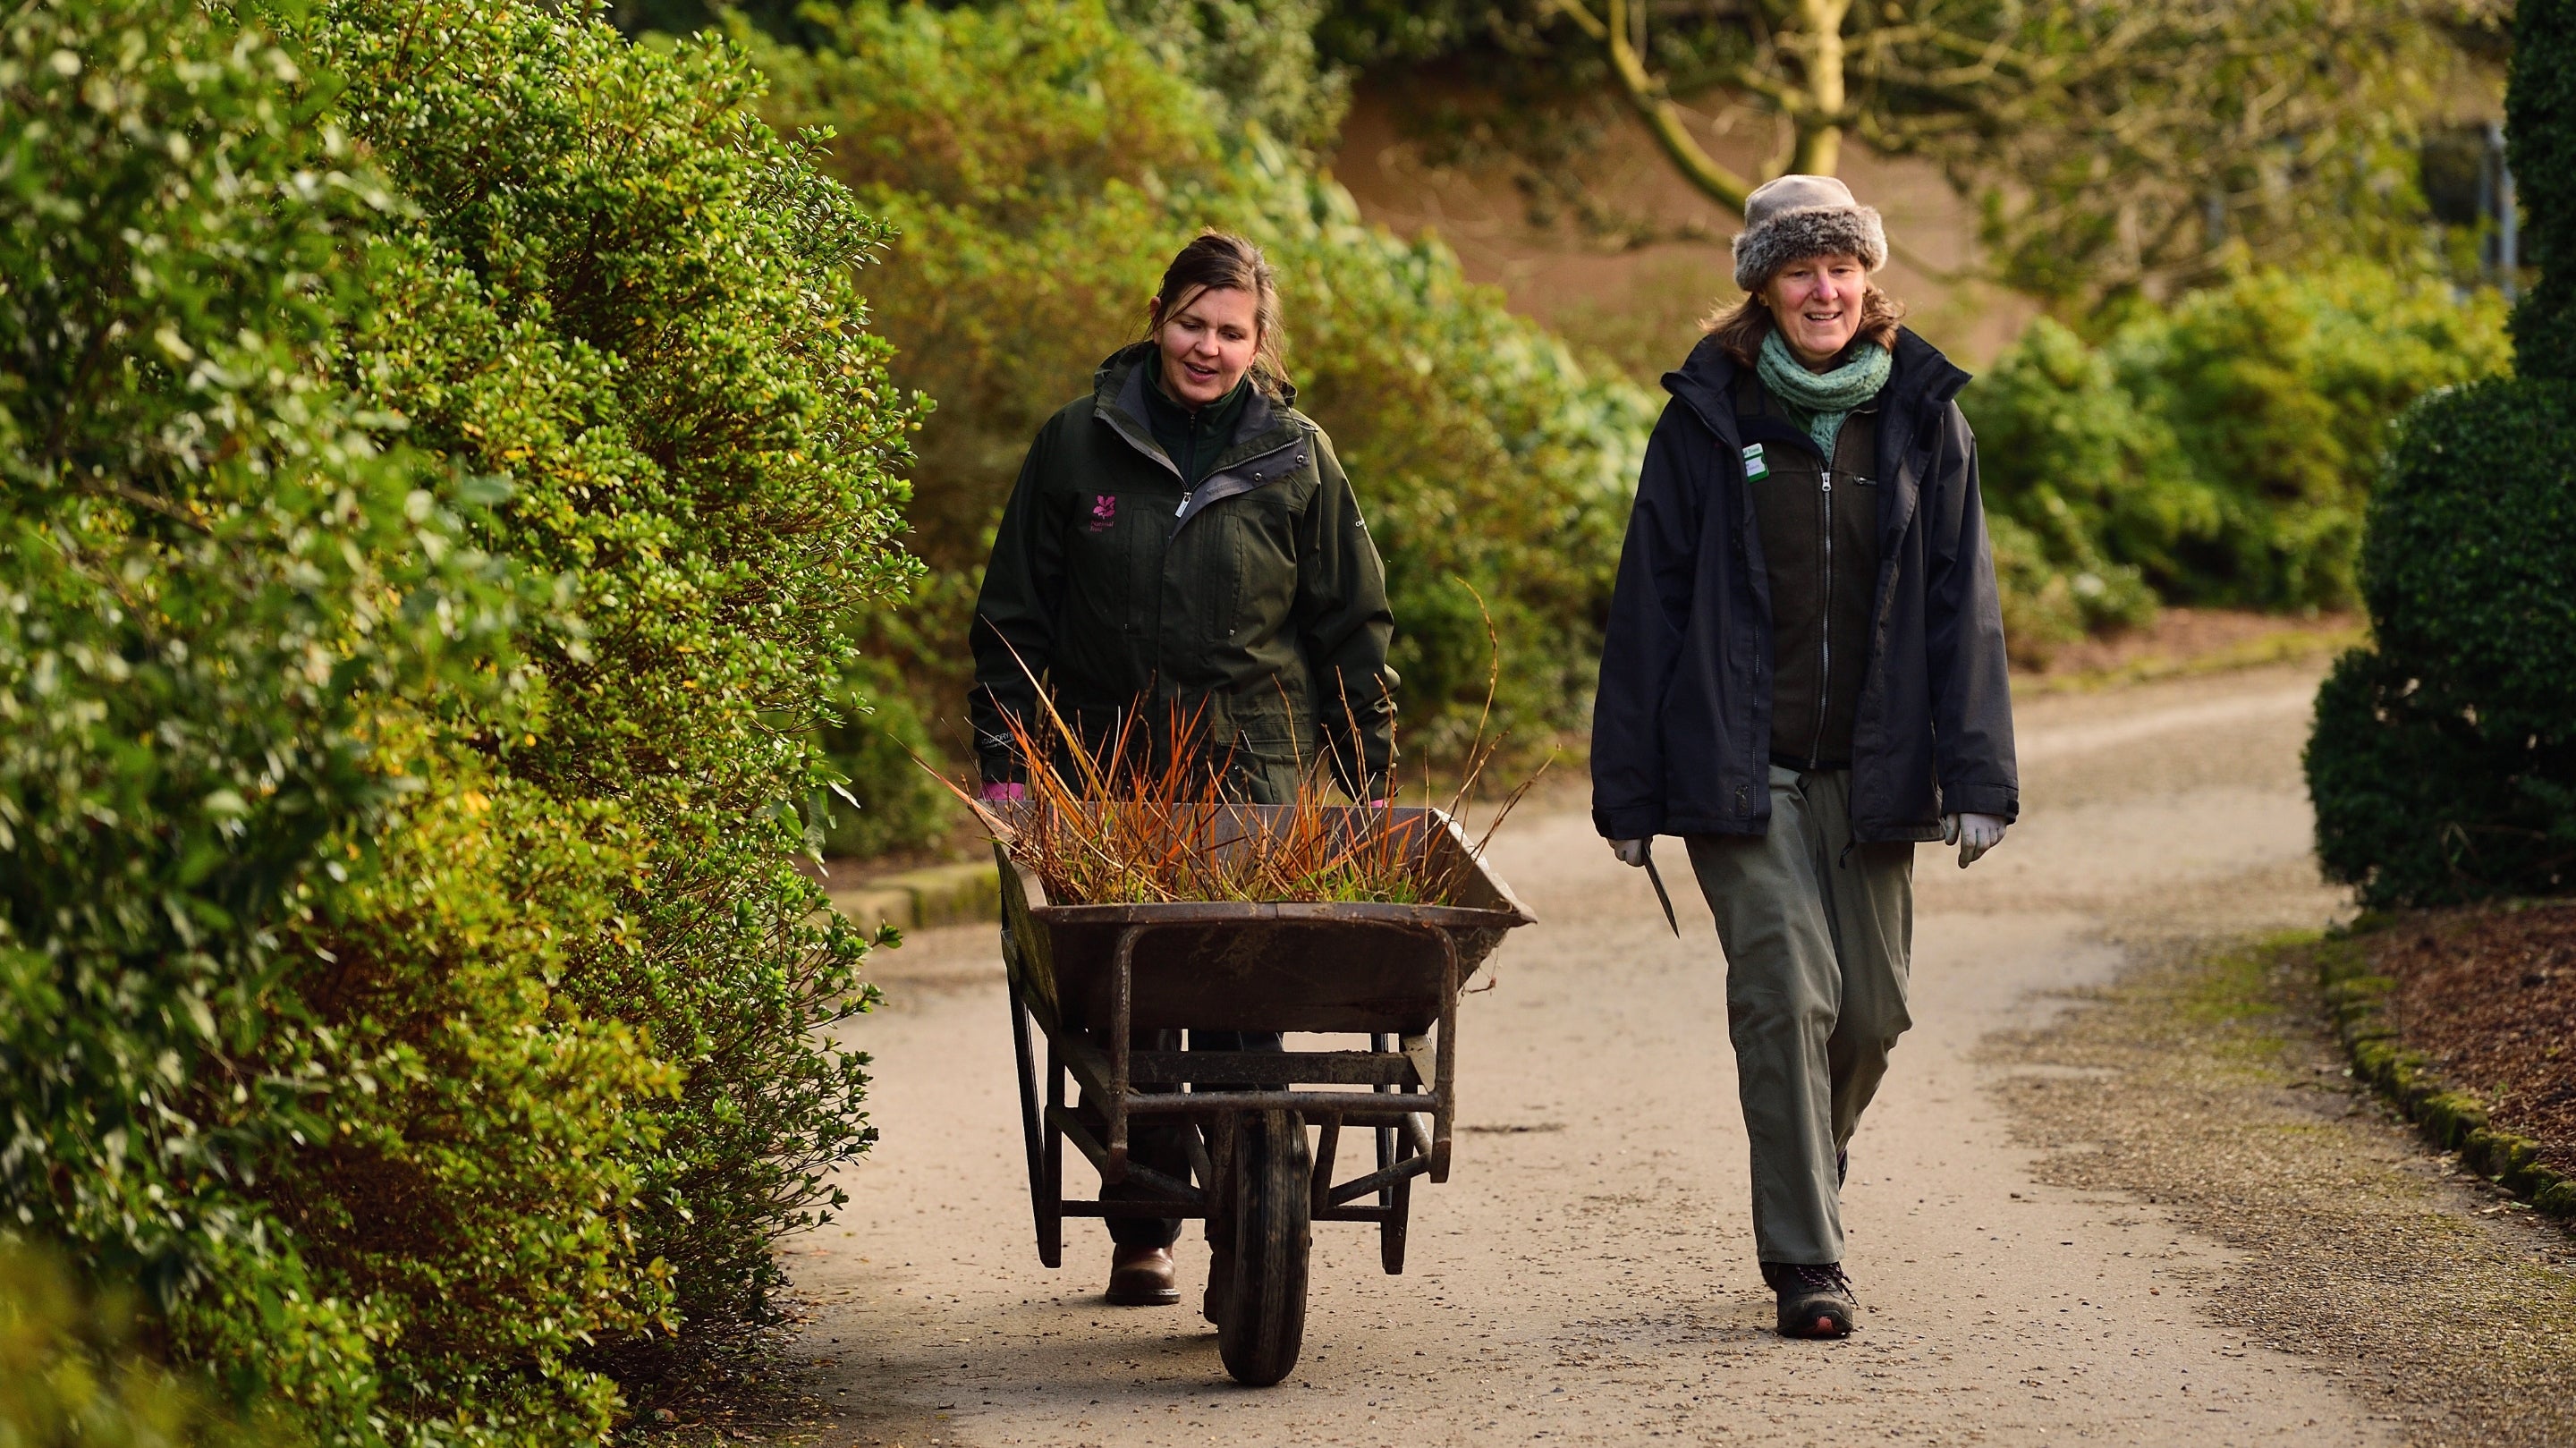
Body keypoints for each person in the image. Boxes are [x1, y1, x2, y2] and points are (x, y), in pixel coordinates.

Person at [1589, 175, 2018, 1340]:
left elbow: (1962, 608)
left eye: (1841, 266)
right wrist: (1626, 789)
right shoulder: (1705, 421)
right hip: (1741, 770)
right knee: (1788, 991)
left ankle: (1806, 1157)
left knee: (1871, 1015)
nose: (1823, 287)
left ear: (1868, 277)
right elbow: (1648, 608)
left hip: (1874, 774)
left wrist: (1978, 780)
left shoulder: (1925, 418)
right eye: (1799, 268)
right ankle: (1806, 1256)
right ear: (1763, 285)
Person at [968, 231, 1397, 1308]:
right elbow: (1012, 624)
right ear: (1158, 316)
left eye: (1232, 332)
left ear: (1261, 342)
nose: (1208, 348)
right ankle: (1145, 1221)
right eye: (1192, 323)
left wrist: (1369, 783)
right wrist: (1013, 787)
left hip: (1254, 779)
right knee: (1128, 1010)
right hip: (1107, 778)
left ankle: (1251, 1226)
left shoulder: (1296, 457)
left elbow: (1352, 630)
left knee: (1242, 1001)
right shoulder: (1078, 444)